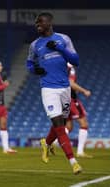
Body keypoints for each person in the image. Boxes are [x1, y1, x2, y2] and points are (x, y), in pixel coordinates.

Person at [26, 12, 82, 175]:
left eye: (40, 23)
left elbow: (76, 60)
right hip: (48, 89)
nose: (37, 25)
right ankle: (73, 162)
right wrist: (34, 69)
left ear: (49, 23)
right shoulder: (34, 45)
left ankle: (46, 142)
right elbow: (29, 63)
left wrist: (59, 48)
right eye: (36, 23)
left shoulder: (63, 39)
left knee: (61, 125)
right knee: (59, 125)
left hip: (65, 88)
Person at [53, 64, 92, 158]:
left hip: (61, 99)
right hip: (71, 99)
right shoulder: (70, 68)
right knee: (84, 124)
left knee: (69, 127)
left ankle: (52, 142)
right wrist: (84, 91)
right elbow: (71, 83)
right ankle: (80, 152)